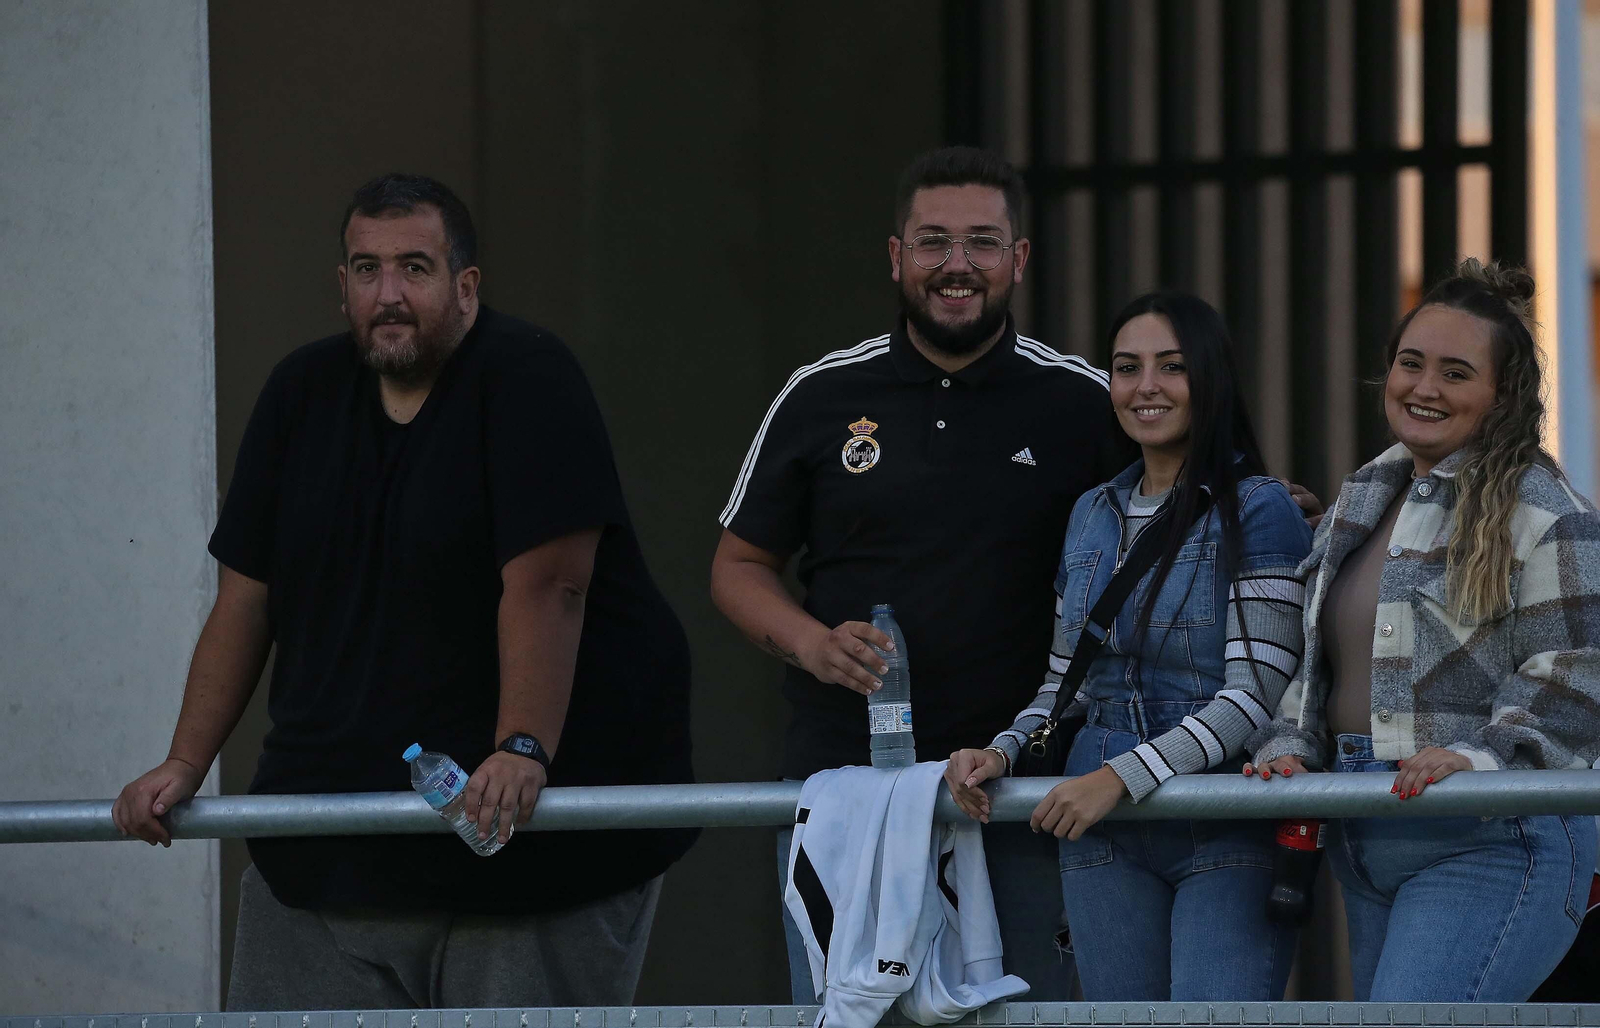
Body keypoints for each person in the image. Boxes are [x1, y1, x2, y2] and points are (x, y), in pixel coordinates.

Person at [111, 173, 697, 1009]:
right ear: (341, 285)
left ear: (465, 287)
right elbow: (246, 599)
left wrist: (522, 747)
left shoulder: (528, 376)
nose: (389, 294)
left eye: (414, 268)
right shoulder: (298, 394)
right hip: (327, 854)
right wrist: (184, 762)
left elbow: (551, 586)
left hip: (526, 864)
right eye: (366, 268)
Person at [711, 146, 1130, 1001]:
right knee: (853, 1018)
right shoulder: (821, 394)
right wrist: (812, 645)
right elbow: (737, 566)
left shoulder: (1085, 401)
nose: (957, 266)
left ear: (1017, 259)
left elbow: (1200, 519)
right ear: (896, 257)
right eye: (933, 242)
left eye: (982, 242)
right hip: (848, 788)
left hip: (1026, 791)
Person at [1247, 258, 1600, 1003]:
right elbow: (1323, 659)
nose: (1424, 389)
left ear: (1501, 395)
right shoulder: (1367, 492)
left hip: (1492, 836)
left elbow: (1578, 669)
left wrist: (1481, 756)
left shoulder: (1547, 507)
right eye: (1411, 364)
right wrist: (1289, 746)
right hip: (1364, 827)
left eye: (1455, 373)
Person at [945, 292, 1313, 1001]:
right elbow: (1064, 686)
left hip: (1221, 816)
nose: (1145, 387)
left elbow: (1252, 696)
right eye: (1126, 367)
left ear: (1212, 379)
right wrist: (1000, 750)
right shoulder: (1091, 511)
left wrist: (1118, 780)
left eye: (1172, 367)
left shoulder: (1260, 508)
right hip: (1101, 824)